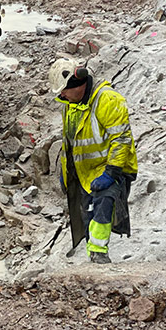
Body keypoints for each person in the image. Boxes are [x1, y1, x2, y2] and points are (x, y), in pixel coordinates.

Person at [49, 58, 138, 264]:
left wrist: (112, 172)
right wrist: (66, 172)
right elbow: (69, 143)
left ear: (77, 84)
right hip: (84, 170)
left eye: (63, 90)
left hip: (110, 167)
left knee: (103, 202)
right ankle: (92, 252)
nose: (61, 95)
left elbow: (121, 139)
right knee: (86, 212)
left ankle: (99, 253)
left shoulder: (108, 100)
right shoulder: (71, 104)